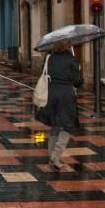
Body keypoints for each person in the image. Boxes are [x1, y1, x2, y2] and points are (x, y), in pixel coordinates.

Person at [35, 40, 83, 169]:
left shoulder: (50, 58)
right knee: (68, 125)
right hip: (66, 95)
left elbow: (44, 73)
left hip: (51, 93)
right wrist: (78, 70)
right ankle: (56, 156)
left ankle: (51, 155)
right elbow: (78, 82)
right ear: (68, 46)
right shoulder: (72, 59)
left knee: (56, 124)